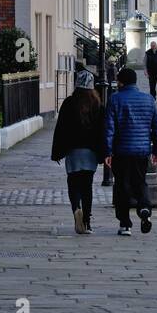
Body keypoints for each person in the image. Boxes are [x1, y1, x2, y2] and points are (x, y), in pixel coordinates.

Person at [104, 68, 157, 236]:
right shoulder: (149, 100)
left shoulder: (115, 99)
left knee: (122, 185)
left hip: (121, 151)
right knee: (140, 182)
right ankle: (144, 208)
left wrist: (107, 152)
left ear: (121, 82)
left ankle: (125, 224)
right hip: (141, 150)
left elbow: (109, 129)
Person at [51, 69, 103, 235]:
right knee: (87, 187)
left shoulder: (69, 103)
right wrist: (103, 152)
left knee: (73, 184)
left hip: (73, 152)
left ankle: (76, 209)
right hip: (91, 153)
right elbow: (103, 130)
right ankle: (87, 222)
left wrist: (57, 152)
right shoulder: (97, 104)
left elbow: (60, 129)